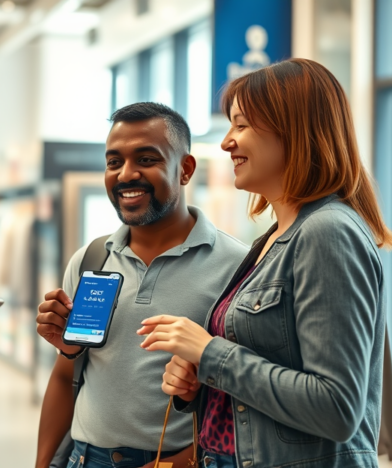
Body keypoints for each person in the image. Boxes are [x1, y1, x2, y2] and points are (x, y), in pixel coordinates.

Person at [138, 58, 392, 468]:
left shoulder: (327, 232)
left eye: (241, 125)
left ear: (293, 130)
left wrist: (210, 353)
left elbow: (336, 406)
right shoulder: (273, 239)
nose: (226, 142)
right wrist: (198, 385)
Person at [35, 102, 248, 468]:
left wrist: (182, 461)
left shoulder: (237, 266)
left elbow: (241, 402)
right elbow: (64, 375)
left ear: (185, 169)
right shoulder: (90, 259)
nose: (125, 175)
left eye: (146, 159)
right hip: (86, 458)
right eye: (114, 162)